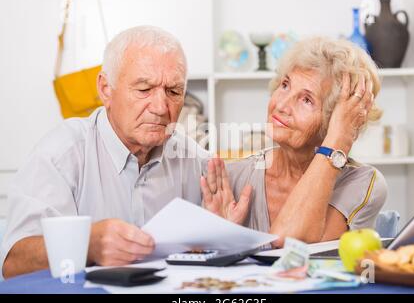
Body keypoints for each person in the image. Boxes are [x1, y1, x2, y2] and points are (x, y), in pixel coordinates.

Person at [1, 26, 251, 279]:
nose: (161, 107)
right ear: (106, 89)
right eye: (144, 89)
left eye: (173, 92)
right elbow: (13, 263)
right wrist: (86, 245)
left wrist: (221, 236)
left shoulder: (194, 160)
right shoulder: (62, 153)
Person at [201, 37, 388, 247]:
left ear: (336, 121)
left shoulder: (361, 183)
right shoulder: (231, 176)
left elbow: (288, 243)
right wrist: (219, 242)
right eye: (285, 85)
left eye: (306, 100)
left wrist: (338, 141)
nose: (282, 105)